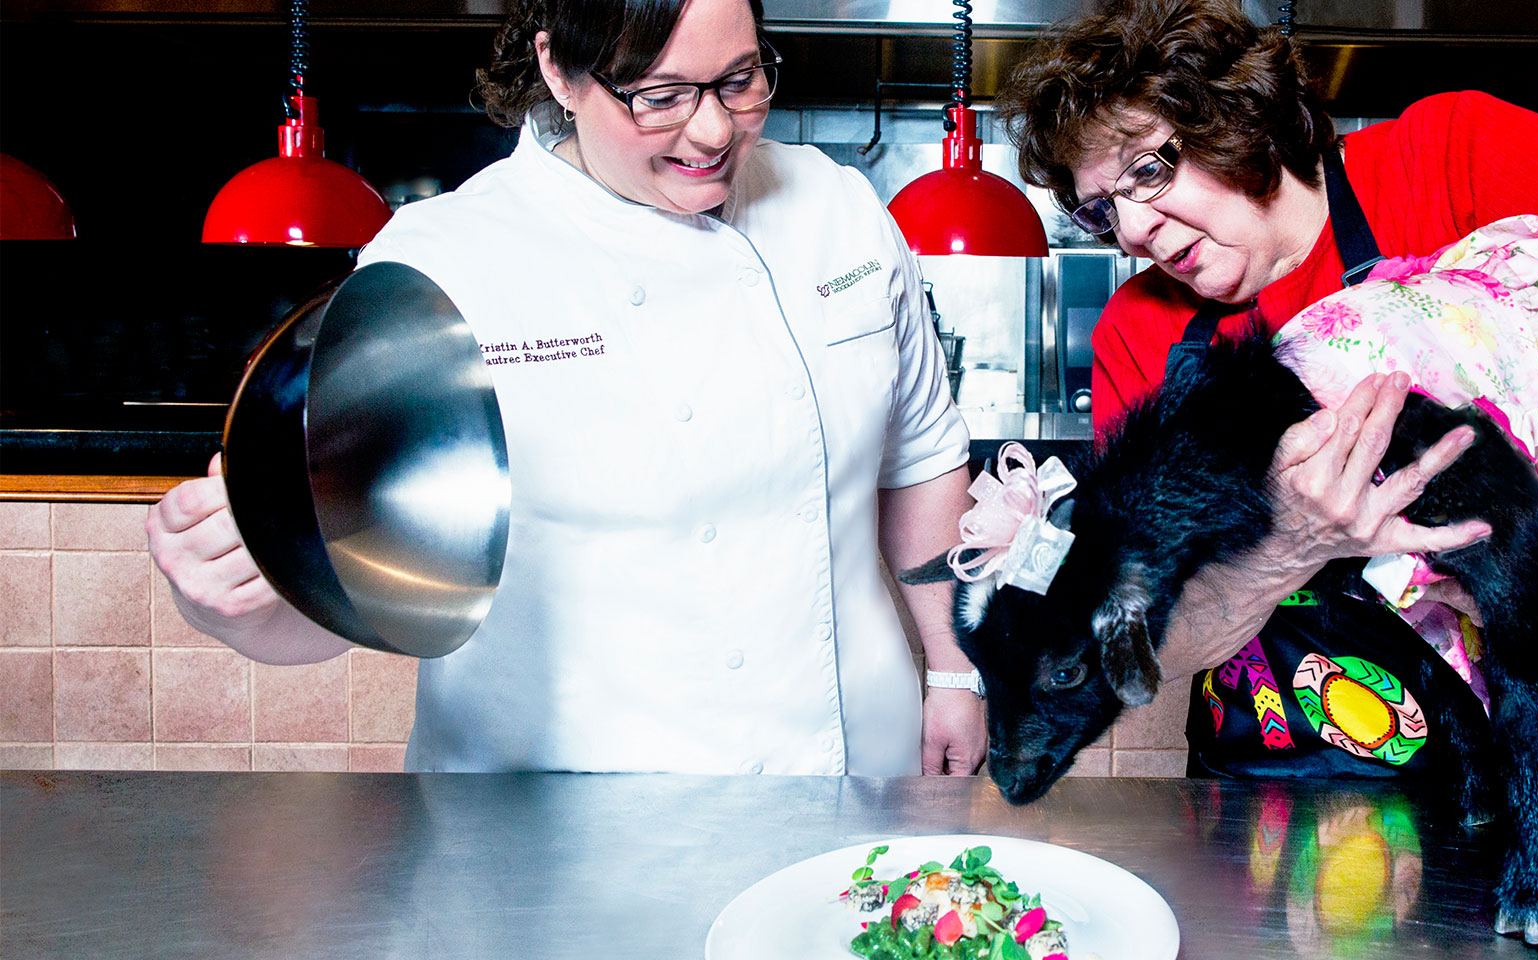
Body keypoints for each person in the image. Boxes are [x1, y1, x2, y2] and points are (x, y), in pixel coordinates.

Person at [997, 0, 1538, 785]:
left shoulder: (1447, 155)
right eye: (1101, 211)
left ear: (1233, 122)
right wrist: (1290, 546)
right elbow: (1153, 643)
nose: (1134, 229)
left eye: (1148, 170)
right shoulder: (1137, 331)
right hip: (1288, 801)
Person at [147, 0, 988, 777]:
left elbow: (919, 455)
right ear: (559, 69)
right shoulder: (443, 265)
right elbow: (357, 572)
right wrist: (242, 597)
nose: (712, 129)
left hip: (842, 775)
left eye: (741, 80)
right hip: (561, 812)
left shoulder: (837, 208)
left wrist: (955, 671)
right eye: (658, 96)